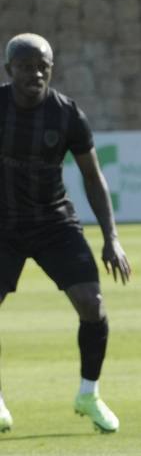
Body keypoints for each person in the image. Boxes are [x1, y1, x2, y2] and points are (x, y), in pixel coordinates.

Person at [0, 33, 130, 434]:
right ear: (10, 70)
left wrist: (111, 237)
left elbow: (93, 177)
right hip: (3, 225)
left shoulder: (68, 115)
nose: (35, 73)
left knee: (92, 304)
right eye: (26, 66)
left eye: (43, 65)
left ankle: (88, 394)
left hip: (54, 222)